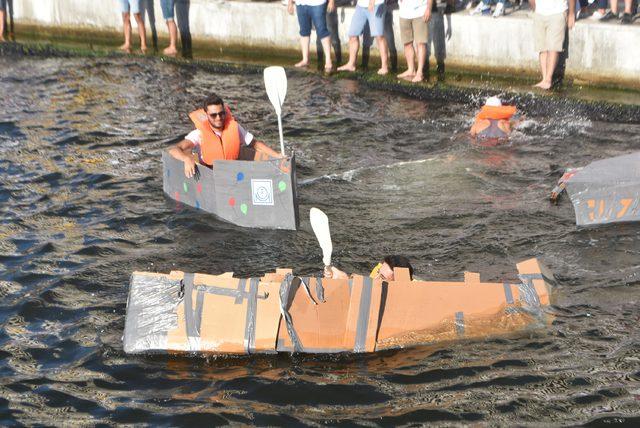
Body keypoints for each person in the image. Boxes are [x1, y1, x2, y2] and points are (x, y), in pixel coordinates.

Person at [169, 94, 281, 178]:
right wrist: (186, 159)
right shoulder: (199, 133)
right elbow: (174, 149)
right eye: (213, 115)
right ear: (206, 115)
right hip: (211, 176)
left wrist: (277, 156)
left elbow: (255, 144)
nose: (218, 118)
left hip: (233, 175)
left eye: (221, 113)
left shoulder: (235, 128)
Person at [530, 0, 576, 90]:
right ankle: (544, 79)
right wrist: (534, 9)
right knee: (542, 48)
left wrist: (571, 14)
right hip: (539, 13)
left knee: (553, 48)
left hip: (558, 12)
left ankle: (548, 79)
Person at [337, 0, 390, 75]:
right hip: (360, 6)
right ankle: (351, 64)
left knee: (379, 36)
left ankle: (384, 67)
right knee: (352, 35)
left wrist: (372, 1)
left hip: (376, 4)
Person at [288, 0, 335, 72]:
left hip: (318, 3)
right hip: (300, 3)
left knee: (322, 31)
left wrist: (331, 1)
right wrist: (290, 2)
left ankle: (328, 61)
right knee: (304, 31)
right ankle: (305, 59)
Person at [397, 0, 433, 83]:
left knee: (420, 43)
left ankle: (419, 72)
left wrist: (428, 8)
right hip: (404, 12)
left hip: (420, 11)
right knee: (407, 43)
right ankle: (411, 69)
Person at [325, 255, 415, 281]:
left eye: (382, 278)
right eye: (378, 273)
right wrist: (344, 279)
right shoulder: (375, 277)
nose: (376, 279)